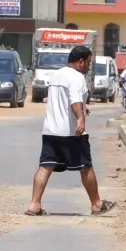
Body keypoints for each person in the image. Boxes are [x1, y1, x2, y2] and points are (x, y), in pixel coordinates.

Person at [26, 45, 115, 217]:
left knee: (45, 167)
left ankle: (34, 205)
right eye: (88, 62)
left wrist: (84, 106)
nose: (89, 66)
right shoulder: (77, 78)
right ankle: (97, 204)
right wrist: (80, 118)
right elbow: (74, 101)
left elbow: (64, 100)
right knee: (85, 167)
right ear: (81, 62)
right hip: (71, 133)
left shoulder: (57, 75)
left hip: (50, 131)